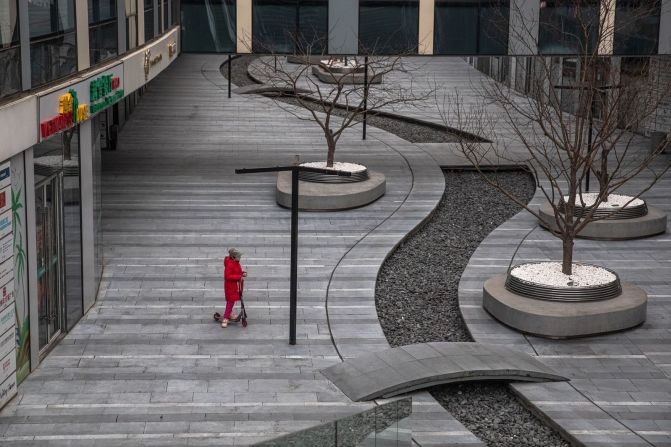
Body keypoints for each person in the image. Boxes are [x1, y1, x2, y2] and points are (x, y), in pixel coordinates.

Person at [222, 248, 247, 328]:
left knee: (231, 301)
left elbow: (238, 272)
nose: (240, 257)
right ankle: (225, 318)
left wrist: (242, 273)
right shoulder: (229, 264)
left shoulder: (236, 262)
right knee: (230, 301)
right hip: (230, 287)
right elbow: (227, 276)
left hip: (235, 286)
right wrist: (239, 276)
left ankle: (228, 314)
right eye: (238, 256)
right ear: (233, 257)